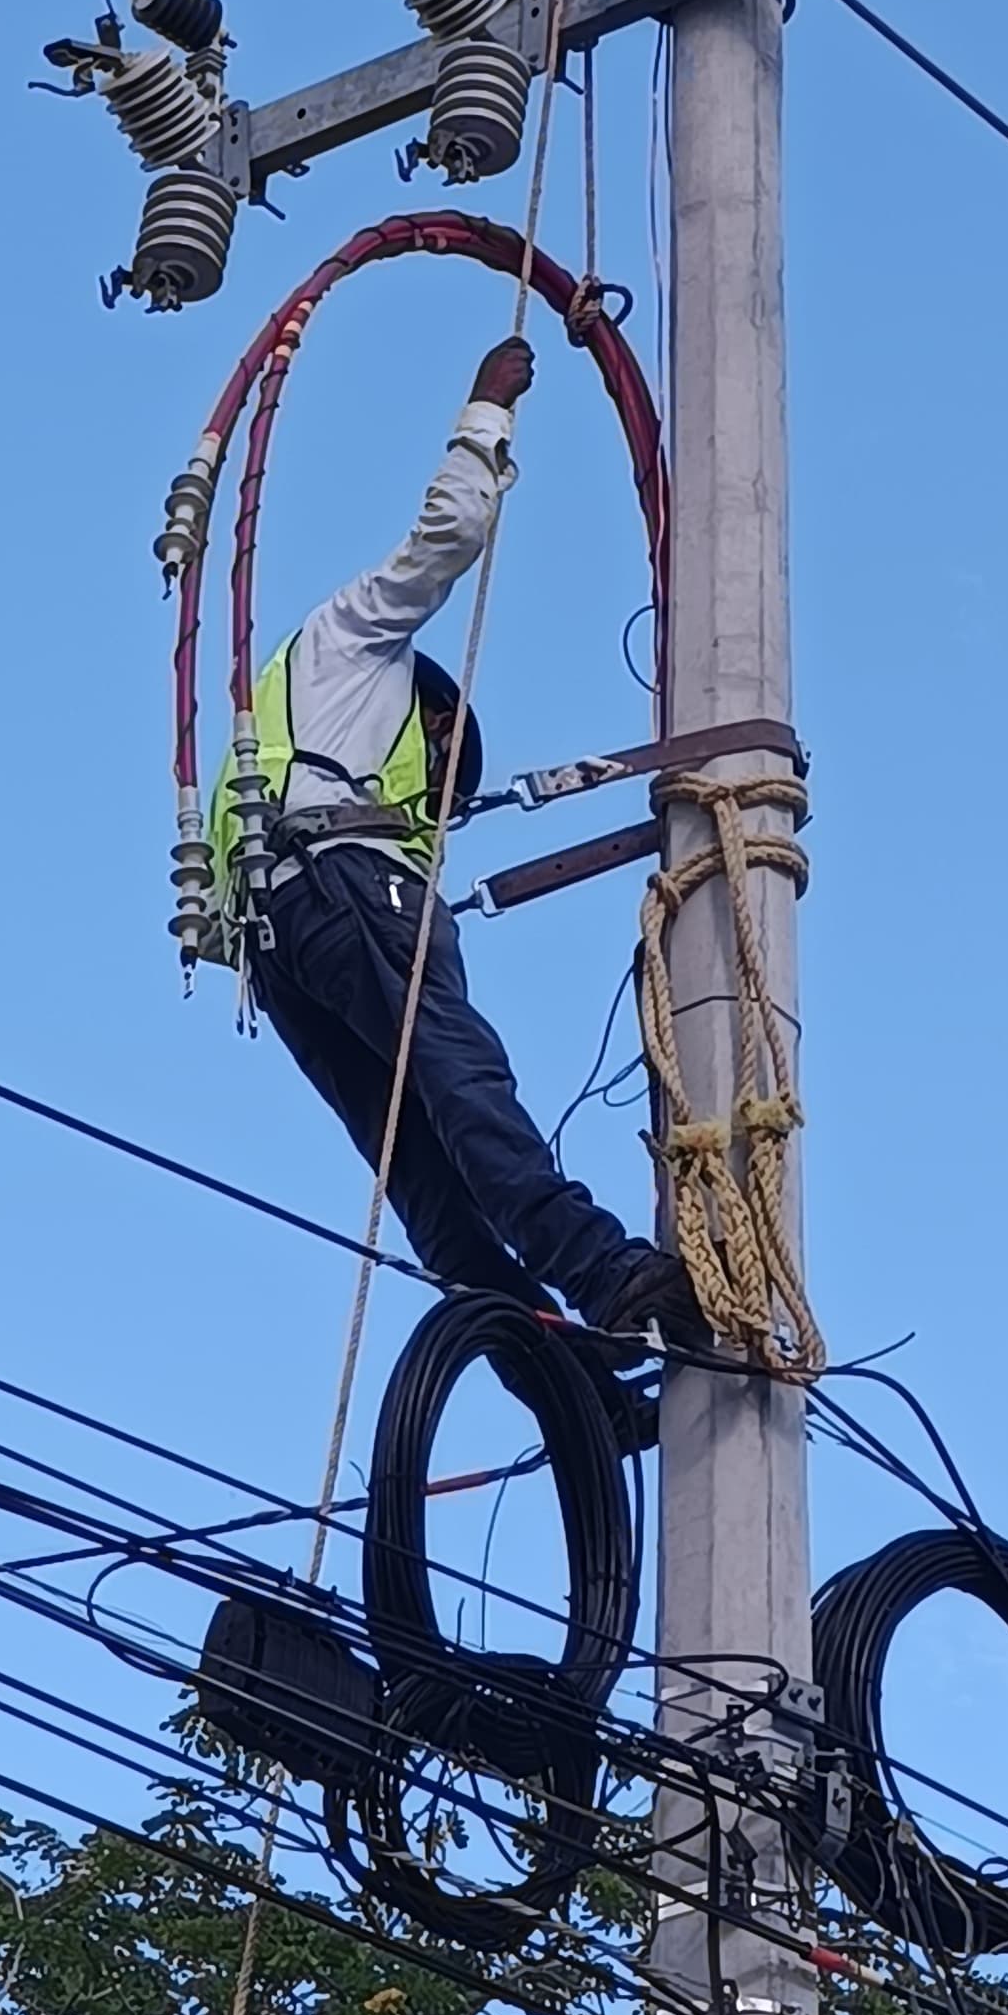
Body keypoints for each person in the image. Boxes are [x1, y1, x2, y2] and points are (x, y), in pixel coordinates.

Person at [211, 338, 706, 1433]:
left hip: (283, 948)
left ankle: (565, 1392)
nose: (439, 784)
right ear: (433, 714)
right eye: (443, 757)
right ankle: (605, 1270)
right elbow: (448, 536)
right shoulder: (354, 643)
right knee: (461, 1084)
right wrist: (486, 412)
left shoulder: (283, 740)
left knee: (432, 1185)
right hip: (343, 895)